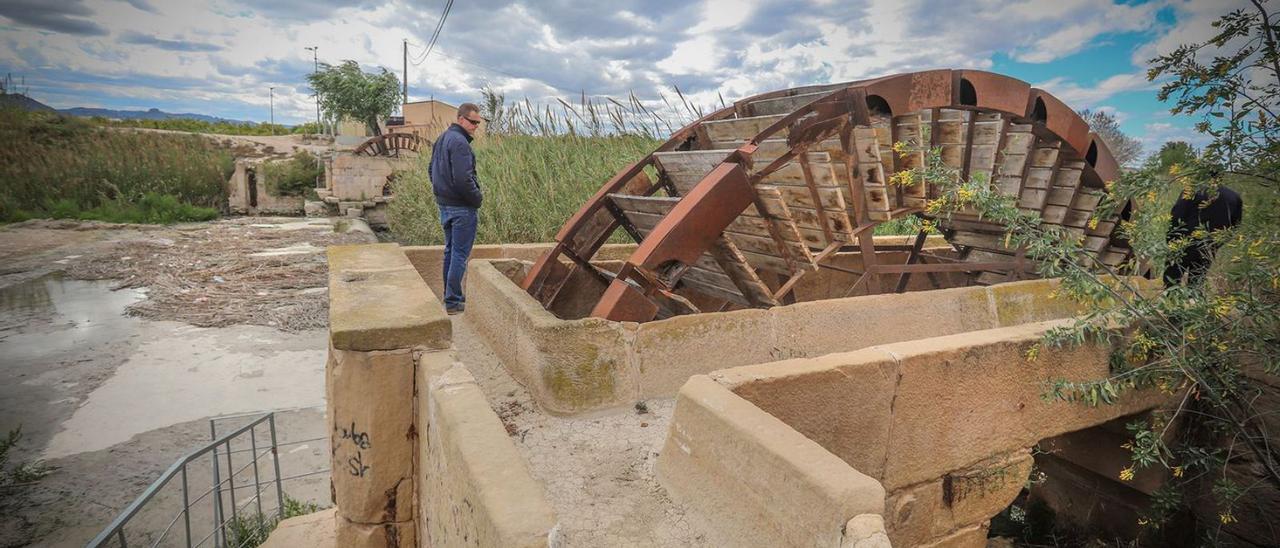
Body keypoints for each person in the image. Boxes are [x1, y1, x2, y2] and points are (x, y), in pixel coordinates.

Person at [430, 103, 484, 314]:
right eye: (472, 122)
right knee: (459, 254)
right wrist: (476, 198)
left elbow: (431, 170)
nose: (475, 126)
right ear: (461, 119)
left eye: (478, 123)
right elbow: (464, 179)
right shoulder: (460, 142)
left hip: (445, 204)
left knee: (451, 253)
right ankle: (453, 301)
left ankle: (451, 297)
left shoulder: (442, 138)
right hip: (462, 207)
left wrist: (441, 193)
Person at [1164, 184, 1243, 287]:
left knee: (1171, 282)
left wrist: (1171, 240)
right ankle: (1194, 301)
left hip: (1183, 243)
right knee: (1196, 284)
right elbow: (1235, 225)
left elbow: (1176, 215)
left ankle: (1171, 301)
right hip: (1208, 246)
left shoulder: (1191, 191)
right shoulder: (1233, 196)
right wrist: (1217, 243)